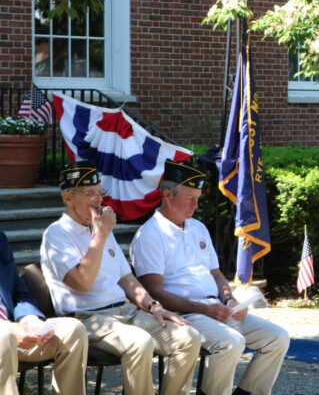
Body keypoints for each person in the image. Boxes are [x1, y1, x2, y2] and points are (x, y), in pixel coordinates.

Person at [40, 161, 202, 395]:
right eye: (89, 194)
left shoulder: (100, 227)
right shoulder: (58, 234)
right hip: (88, 318)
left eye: (100, 193)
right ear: (68, 197)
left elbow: (126, 277)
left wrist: (153, 305)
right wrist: (101, 235)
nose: (98, 200)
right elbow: (82, 282)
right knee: (140, 342)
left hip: (126, 312)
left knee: (188, 338)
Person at [130, 160, 289, 395]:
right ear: (167, 194)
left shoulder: (197, 227)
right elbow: (154, 291)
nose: (195, 205)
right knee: (231, 343)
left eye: (198, 198)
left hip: (215, 309)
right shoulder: (149, 235)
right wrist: (206, 310)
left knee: (277, 337)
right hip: (185, 314)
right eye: (189, 198)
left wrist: (229, 300)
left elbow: (216, 275)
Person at [0, 232, 88, 395]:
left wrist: (30, 320)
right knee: (4, 334)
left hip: (13, 333)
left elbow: (18, 292)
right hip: (5, 334)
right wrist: (9, 328)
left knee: (73, 329)